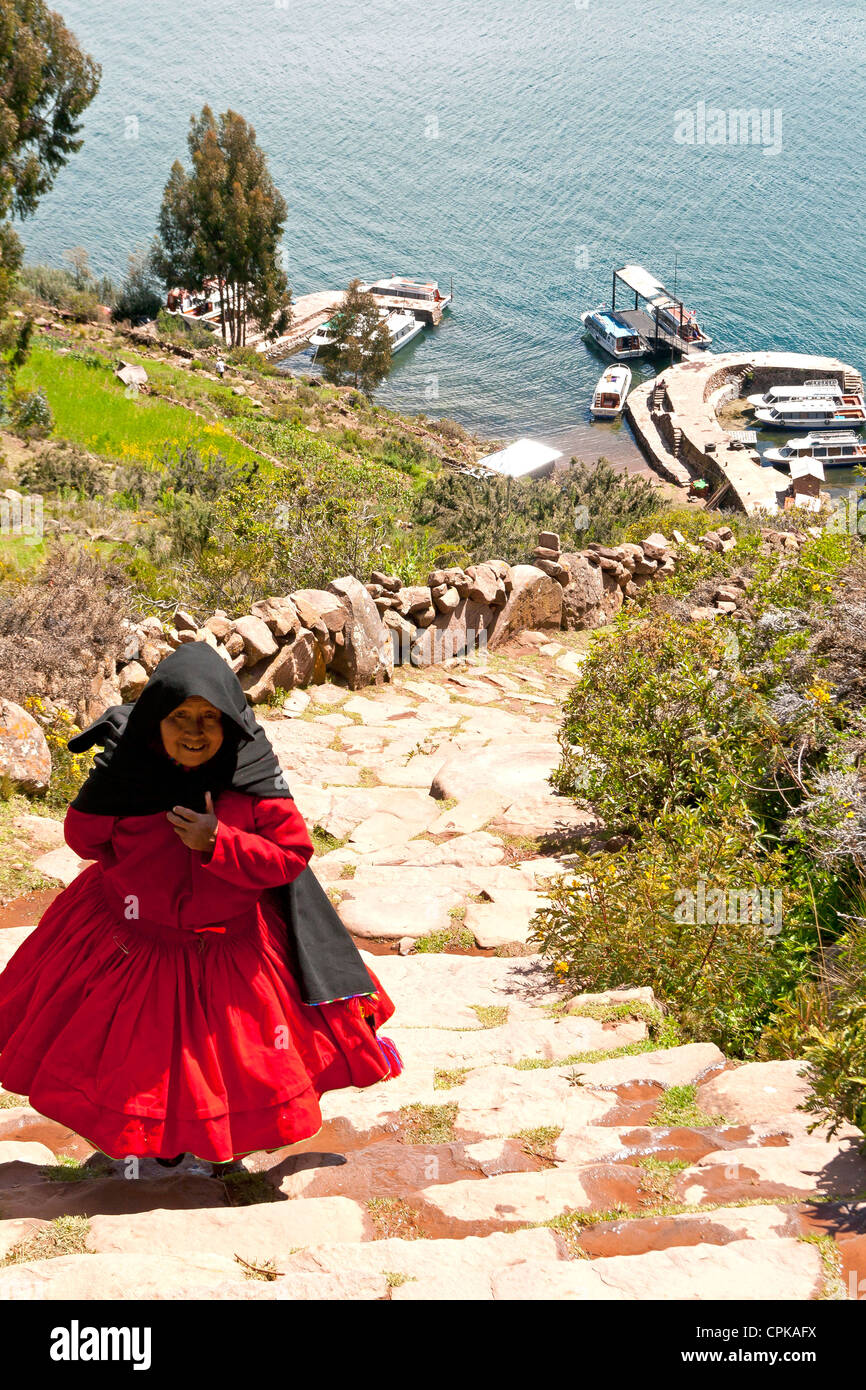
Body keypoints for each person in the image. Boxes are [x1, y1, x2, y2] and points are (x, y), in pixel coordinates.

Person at [0, 644, 402, 1174]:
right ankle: (158, 1144)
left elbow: (291, 857)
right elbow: (83, 837)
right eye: (180, 718)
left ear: (231, 723)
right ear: (154, 722)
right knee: (145, 1062)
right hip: (139, 946)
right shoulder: (130, 773)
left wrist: (220, 843)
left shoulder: (251, 780)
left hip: (232, 950)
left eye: (210, 718)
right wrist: (113, 789)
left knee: (229, 1063)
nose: (195, 731)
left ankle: (218, 1144)